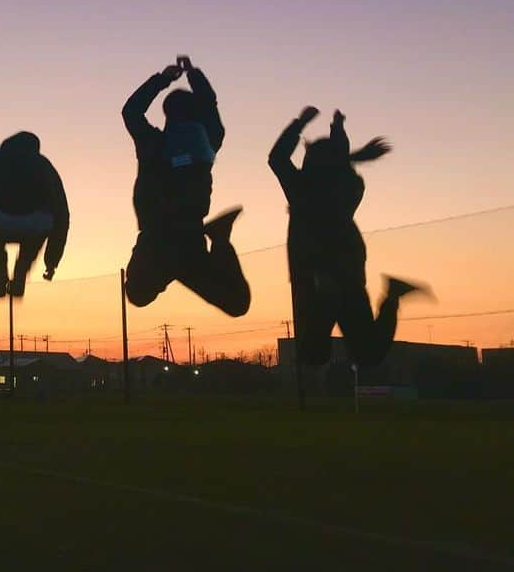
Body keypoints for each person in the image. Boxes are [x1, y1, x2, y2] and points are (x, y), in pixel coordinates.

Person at [269, 107, 428, 367]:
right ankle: (393, 297)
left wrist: (300, 123)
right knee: (366, 353)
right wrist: (339, 133)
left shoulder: (302, 188)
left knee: (313, 354)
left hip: (316, 276)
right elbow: (336, 162)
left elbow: (276, 159)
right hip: (346, 272)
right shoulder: (350, 185)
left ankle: (389, 297)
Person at [122, 55, 250, 316]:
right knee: (236, 304)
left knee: (137, 293)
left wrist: (165, 79)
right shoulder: (208, 143)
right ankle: (220, 238)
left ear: (168, 116)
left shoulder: (154, 144)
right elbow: (211, 106)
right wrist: (194, 75)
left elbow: (131, 111)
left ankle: (204, 249)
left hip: (157, 239)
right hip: (189, 241)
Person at [0, 132, 69, 298]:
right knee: (38, 231)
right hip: (35, 223)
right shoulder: (44, 165)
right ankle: (22, 270)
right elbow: (61, 214)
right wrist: (51, 261)